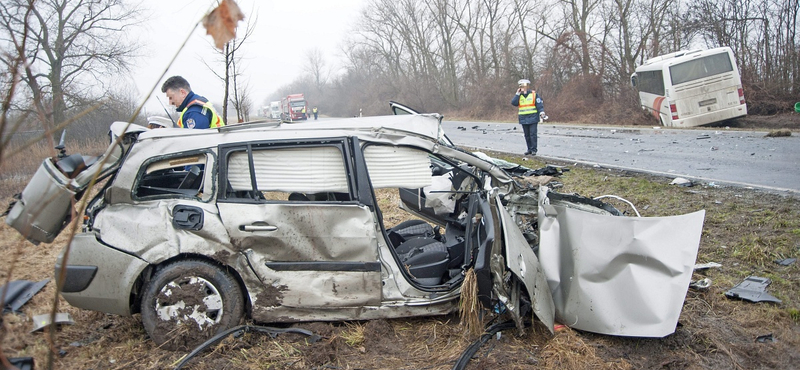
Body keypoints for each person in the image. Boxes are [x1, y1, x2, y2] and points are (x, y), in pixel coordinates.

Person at [161, 76, 225, 129]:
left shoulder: (194, 111)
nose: (170, 102)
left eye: (171, 97)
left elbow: (193, 142)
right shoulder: (198, 103)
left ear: (182, 93)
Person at [511, 79, 545, 156]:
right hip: (523, 118)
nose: (523, 88)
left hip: (533, 118)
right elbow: (514, 103)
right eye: (522, 87)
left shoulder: (534, 94)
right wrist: (517, 94)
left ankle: (533, 150)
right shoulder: (519, 96)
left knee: (533, 134)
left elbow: (539, 105)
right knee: (527, 135)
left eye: (524, 86)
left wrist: (542, 112)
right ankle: (529, 149)